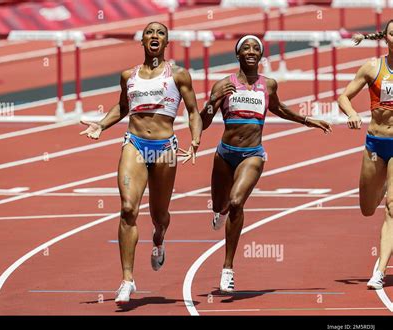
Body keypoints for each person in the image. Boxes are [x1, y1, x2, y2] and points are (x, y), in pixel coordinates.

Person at [80, 22, 202, 303]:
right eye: (150, 32)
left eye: (160, 33)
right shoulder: (129, 76)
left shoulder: (179, 75)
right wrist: (101, 125)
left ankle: (159, 238)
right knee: (127, 208)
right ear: (143, 41)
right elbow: (123, 106)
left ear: (167, 41)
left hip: (165, 149)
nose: (155, 36)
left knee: (160, 215)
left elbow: (194, 111)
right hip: (134, 144)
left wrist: (195, 140)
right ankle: (127, 280)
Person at [201, 34, 332, 293]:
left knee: (237, 202)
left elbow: (279, 109)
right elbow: (204, 122)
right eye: (246, 48)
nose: (251, 51)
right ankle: (220, 210)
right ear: (237, 55)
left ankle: (227, 268)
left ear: (261, 56)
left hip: (252, 155)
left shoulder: (268, 85)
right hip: (224, 154)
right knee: (220, 205)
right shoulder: (223, 84)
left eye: (256, 49)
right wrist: (213, 102)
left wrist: (307, 120)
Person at [338, 20, 393, 289]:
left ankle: (379, 271)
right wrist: (351, 114)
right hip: (375, 142)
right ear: (386, 37)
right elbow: (344, 96)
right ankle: (381, 186)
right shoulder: (373, 68)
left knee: (392, 208)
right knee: (367, 208)